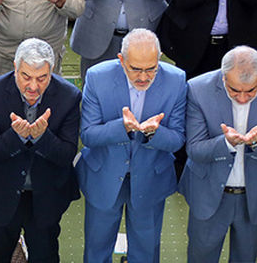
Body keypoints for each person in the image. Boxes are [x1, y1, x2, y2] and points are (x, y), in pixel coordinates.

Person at [0, 37, 82, 263]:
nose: (33, 86)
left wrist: (41, 137)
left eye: (42, 78)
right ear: (15, 67)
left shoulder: (69, 96)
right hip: (1, 192)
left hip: (46, 194)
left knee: (45, 255)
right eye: (26, 76)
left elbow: (67, 155)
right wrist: (15, 136)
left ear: (52, 70)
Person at [77, 28, 186, 263]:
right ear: (121, 60)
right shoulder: (97, 77)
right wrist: (122, 128)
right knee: (97, 251)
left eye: (151, 69)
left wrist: (153, 134)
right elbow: (87, 135)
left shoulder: (176, 80)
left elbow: (177, 139)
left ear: (159, 60)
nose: (144, 77)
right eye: (136, 69)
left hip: (151, 179)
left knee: (146, 253)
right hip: (103, 176)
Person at [179, 45, 257, 263]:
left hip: (255, 197)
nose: (243, 98)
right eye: (235, 91)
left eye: (252, 91)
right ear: (223, 77)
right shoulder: (198, 89)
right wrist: (225, 144)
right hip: (208, 195)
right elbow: (195, 149)